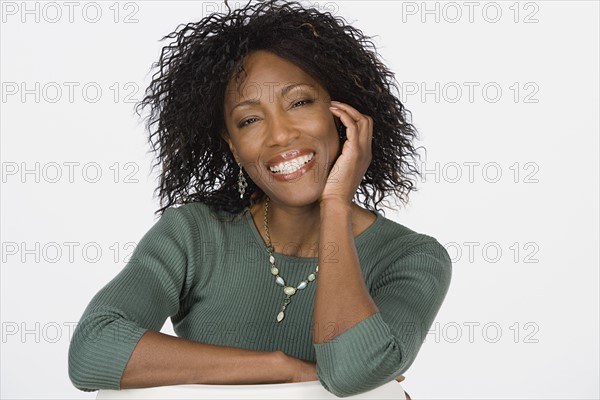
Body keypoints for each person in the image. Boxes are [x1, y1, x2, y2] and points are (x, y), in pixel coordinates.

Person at [67, 1, 451, 399]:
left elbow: (352, 371)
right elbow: (93, 349)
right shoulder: (194, 235)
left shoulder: (410, 258)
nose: (280, 135)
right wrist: (280, 368)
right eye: (250, 120)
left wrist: (335, 202)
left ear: (344, 113)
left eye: (299, 102)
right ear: (232, 146)